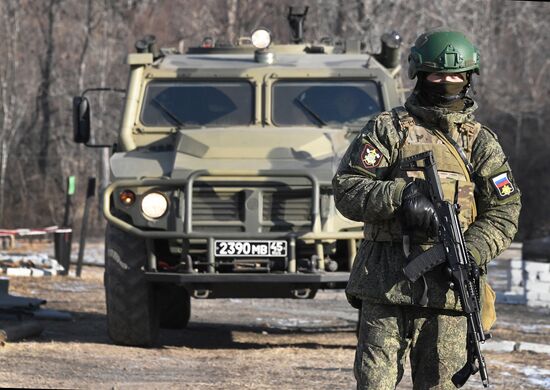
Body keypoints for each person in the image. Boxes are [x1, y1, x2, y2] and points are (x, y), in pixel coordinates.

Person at [332, 30, 521, 389]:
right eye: (437, 75)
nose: (446, 82)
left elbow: (504, 210)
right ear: (420, 76)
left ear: (468, 79)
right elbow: (348, 189)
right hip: (384, 285)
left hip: (447, 290)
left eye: (455, 76)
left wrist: (469, 251)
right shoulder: (388, 129)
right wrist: (401, 196)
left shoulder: (480, 143)